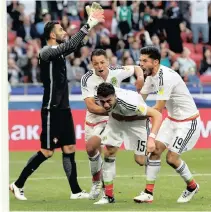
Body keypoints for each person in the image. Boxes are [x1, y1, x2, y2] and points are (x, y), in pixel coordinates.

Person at [9, 2, 105, 201]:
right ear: (52, 34)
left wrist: (90, 24)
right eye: (60, 29)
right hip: (51, 109)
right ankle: (17, 185)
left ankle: (76, 191)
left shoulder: (60, 52)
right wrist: (87, 25)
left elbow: (76, 44)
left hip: (64, 108)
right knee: (47, 151)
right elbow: (71, 44)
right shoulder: (45, 52)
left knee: (69, 148)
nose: (63, 31)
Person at [134, 46, 200, 203]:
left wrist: (138, 117)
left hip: (188, 122)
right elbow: (139, 100)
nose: (141, 64)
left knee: (171, 158)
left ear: (155, 62)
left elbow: (158, 109)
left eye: (144, 61)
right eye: (140, 60)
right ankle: (148, 193)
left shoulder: (166, 77)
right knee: (155, 151)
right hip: (172, 120)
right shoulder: (151, 77)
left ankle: (192, 186)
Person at [81, 49, 144, 200]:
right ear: (92, 64)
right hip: (93, 118)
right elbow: (91, 106)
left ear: (108, 62)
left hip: (108, 120)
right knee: (90, 150)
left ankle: (106, 189)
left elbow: (136, 67)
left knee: (106, 149)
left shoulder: (116, 71)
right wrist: (108, 110)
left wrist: (140, 77)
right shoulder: (87, 79)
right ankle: (97, 182)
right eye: (96, 63)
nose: (99, 66)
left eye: (102, 62)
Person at [93, 82, 162, 204]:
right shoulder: (99, 97)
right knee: (109, 151)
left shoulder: (129, 103)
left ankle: (154, 161)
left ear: (115, 96)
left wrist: (151, 138)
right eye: (103, 102)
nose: (106, 104)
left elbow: (156, 115)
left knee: (140, 160)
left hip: (137, 122)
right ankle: (108, 195)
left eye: (109, 100)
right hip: (116, 120)